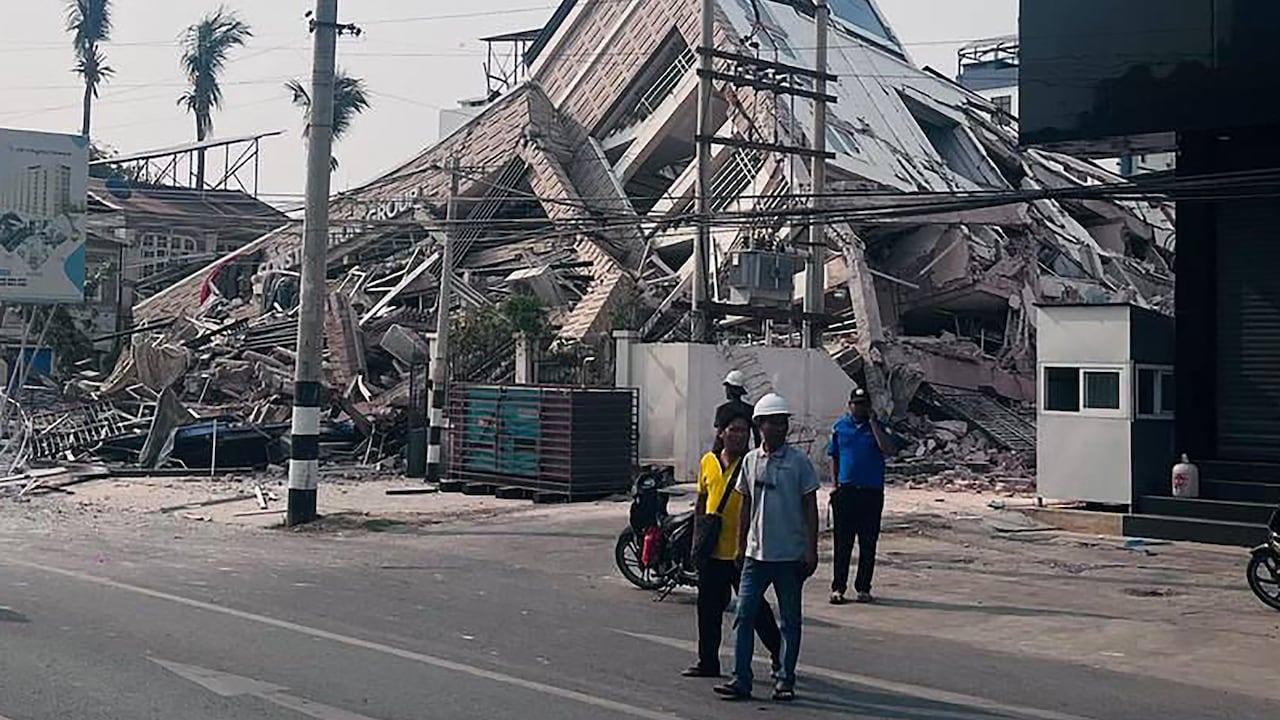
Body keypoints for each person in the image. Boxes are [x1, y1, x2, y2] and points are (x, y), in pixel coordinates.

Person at [714, 393, 819, 702]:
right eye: (773, 422)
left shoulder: (799, 463)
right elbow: (745, 505)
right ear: (759, 425)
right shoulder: (750, 461)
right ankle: (741, 679)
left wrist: (811, 549)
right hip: (755, 555)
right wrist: (740, 545)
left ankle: (785, 678)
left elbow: (810, 507)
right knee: (744, 616)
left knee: (789, 621)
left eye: (783, 422)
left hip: (789, 555)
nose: (779, 428)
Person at [683, 410, 782, 679]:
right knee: (708, 610)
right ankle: (708, 661)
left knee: (756, 610)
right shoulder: (708, 462)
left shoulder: (752, 463)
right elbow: (702, 501)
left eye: (743, 431)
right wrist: (697, 542)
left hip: (744, 551)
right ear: (721, 433)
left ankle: (778, 654)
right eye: (733, 430)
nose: (739, 435)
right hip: (713, 550)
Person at [827, 387, 899, 605]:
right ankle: (838, 587)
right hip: (847, 491)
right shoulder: (840, 428)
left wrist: (874, 424)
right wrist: (835, 485)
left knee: (868, 542)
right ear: (850, 405)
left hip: (871, 493)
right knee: (843, 543)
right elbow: (834, 456)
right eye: (856, 404)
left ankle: (863, 587)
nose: (860, 408)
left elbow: (888, 449)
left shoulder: (878, 428)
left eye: (863, 404)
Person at [712, 370, 761, 453]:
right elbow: (757, 437)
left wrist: (715, 456)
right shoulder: (749, 410)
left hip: (727, 456)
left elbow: (718, 439)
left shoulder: (723, 410)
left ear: (730, 389)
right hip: (744, 454)